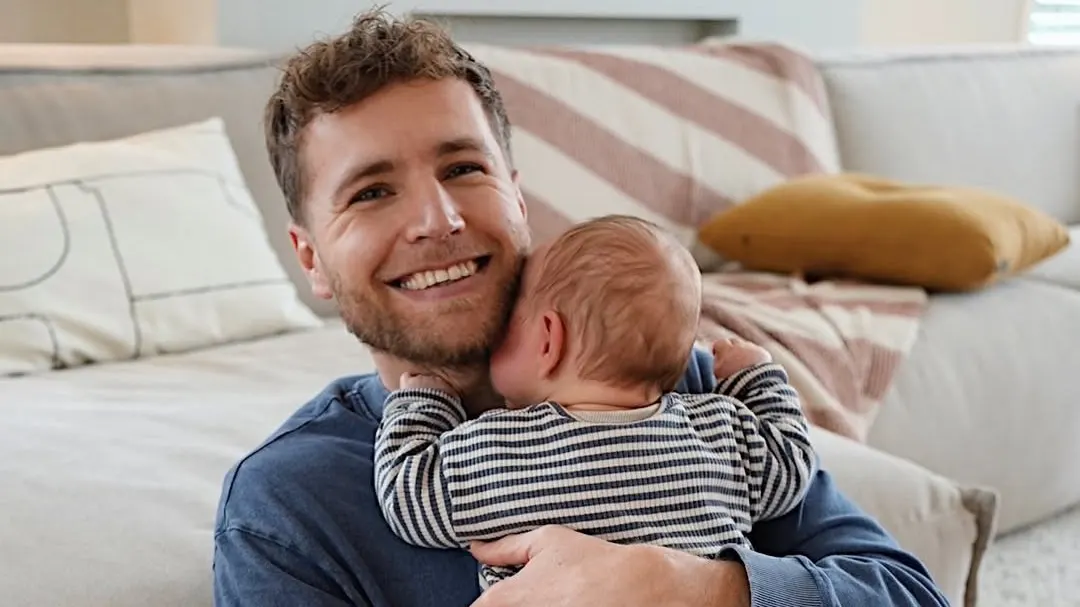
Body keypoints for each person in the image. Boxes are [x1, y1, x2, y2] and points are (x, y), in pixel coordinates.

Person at [212, 8, 950, 607]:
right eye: (372, 191)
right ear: (310, 257)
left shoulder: (684, 389)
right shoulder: (287, 506)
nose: (437, 219)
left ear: (518, 198)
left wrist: (699, 587)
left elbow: (909, 594)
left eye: (464, 168)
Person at [373, 215, 818, 590]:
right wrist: (754, 375)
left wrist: (424, 402)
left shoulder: (500, 449)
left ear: (548, 338)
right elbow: (793, 461)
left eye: (509, 317)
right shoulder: (721, 430)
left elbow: (408, 497)